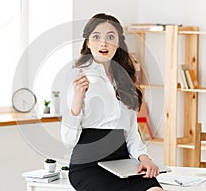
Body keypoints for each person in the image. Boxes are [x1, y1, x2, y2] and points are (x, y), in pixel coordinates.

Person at [61, 13, 163, 191]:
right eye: (96, 37)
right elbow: (68, 141)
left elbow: (131, 132)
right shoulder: (78, 77)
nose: (104, 43)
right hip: (88, 166)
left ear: (118, 43)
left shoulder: (125, 81)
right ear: (87, 42)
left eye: (110, 37)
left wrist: (143, 157)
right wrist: (77, 99)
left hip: (122, 164)